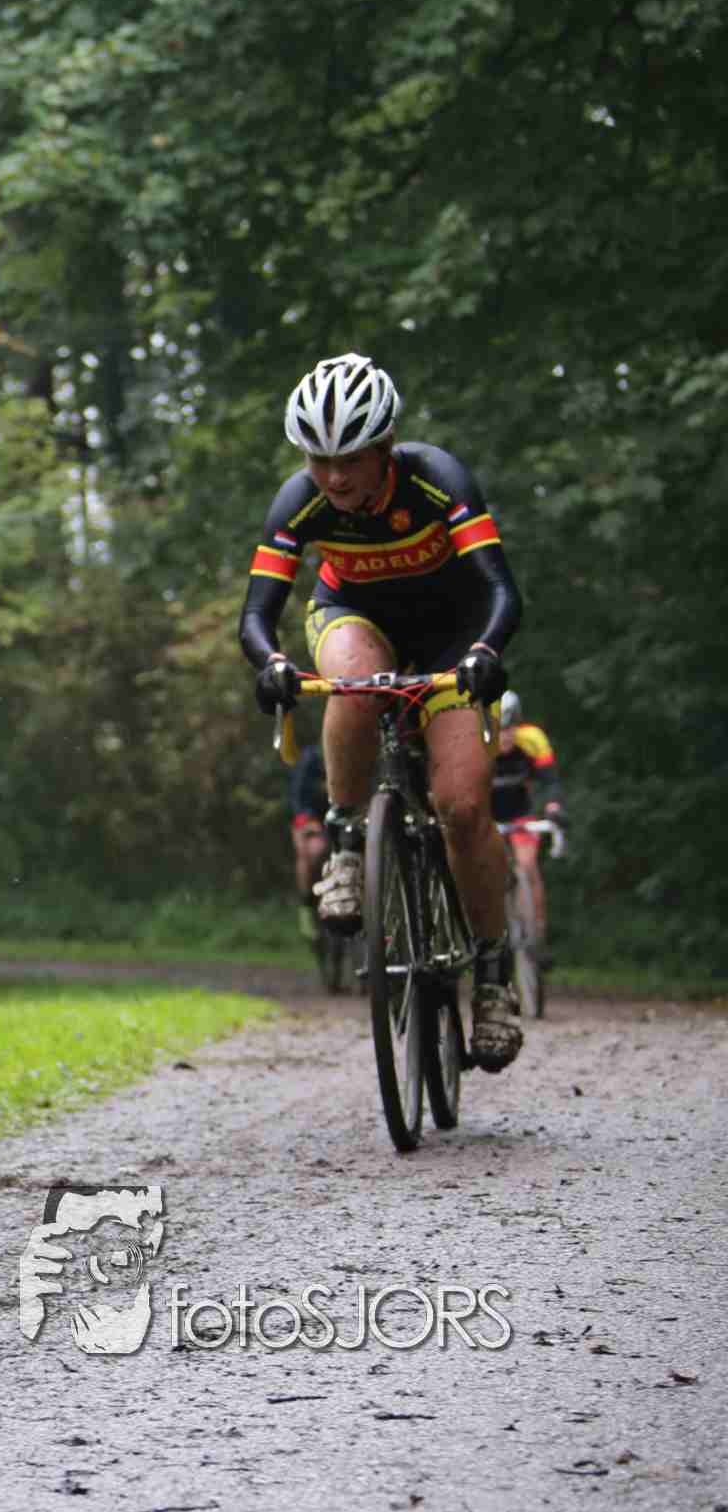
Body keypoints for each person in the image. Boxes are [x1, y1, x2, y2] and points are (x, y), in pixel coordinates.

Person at [239, 353, 528, 1068]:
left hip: (453, 632)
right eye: (319, 459)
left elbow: (501, 590)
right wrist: (271, 663)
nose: (334, 478)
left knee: (462, 808)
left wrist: (486, 651)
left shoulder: (438, 479)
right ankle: (347, 843)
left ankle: (493, 976)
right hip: (354, 617)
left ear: (386, 447)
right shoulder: (299, 500)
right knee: (355, 683)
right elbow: (257, 615)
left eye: (350, 459)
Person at [488, 689, 568, 948]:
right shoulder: (478, 746)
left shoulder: (532, 740)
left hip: (520, 814)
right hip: (487, 818)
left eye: (510, 729)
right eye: (499, 730)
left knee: (527, 865)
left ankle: (537, 933)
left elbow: (550, 780)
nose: (505, 736)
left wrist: (553, 806)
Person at [286, 737, 329, 916]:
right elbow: (297, 796)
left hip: (335, 820)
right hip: (308, 819)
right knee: (313, 851)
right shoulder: (310, 759)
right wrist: (307, 821)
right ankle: (306, 904)